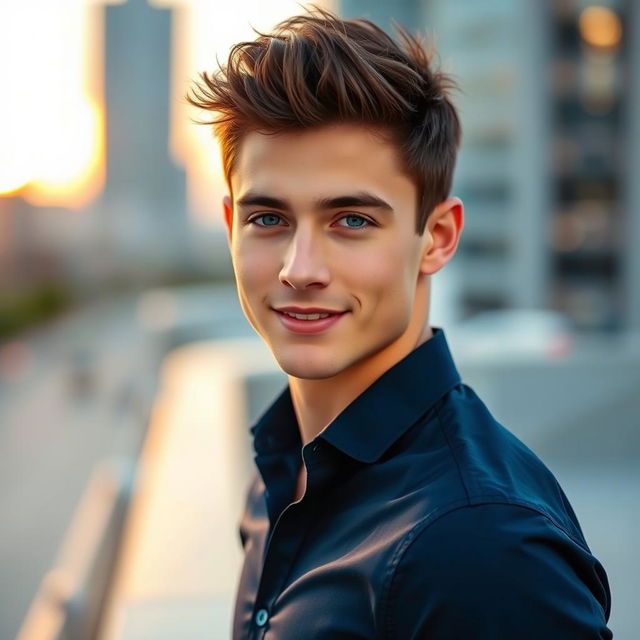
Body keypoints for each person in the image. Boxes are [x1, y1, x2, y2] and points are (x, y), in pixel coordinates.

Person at [188, 8, 612, 639]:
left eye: (352, 220)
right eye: (268, 219)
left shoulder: (480, 548)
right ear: (230, 228)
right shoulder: (282, 471)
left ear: (437, 238)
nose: (299, 270)